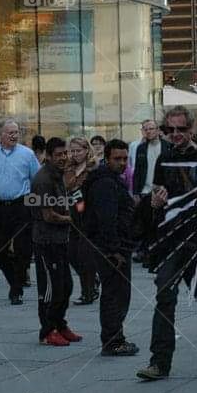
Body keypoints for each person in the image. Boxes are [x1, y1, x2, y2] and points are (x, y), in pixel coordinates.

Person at [135, 108, 197, 381]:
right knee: (164, 297)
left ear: (191, 129)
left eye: (180, 129)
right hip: (171, 239)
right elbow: (158, 195)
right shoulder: (164, 159)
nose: (175, 135)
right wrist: (156, 200)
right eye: (170, 131)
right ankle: (160, 362)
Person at [84, 139, 140, 356]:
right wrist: (114, 249)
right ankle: (113, 341)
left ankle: (114, 338)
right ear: (107, 158)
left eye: (125, 158)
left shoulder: (111, 179)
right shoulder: (105, 183)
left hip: (115, 246)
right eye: (117, 159)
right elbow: (106, 219)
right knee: (115, 294)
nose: (122, 163)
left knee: (117, 293)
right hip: (111, 249)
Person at [0, 119, 40, 305]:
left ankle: (17, 287)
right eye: (10, 132)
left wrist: (33, 206)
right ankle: (14, 282)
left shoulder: (27, 154)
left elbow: (37, 181)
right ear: (0, 135)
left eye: (16, 132)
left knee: (23, 249)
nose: (14, 135)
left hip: (20, 205)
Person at [30, 137, 83, 346]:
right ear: (49, 156)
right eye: (59, 154)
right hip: (46, 241)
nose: (64, 158)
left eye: (65, 153)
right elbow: (48, 215)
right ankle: (47, 330)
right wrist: (73, 219)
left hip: (61, 239)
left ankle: (60, 324)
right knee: (50, 288)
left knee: (66, 285)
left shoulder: (59, 175)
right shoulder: (42, 179)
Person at [65, 137, 99, 305]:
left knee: (85, 255)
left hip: (88, 214)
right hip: (72, 213)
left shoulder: (94, 168)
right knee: (71, 254)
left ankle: (88, 291)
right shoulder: (68, 167)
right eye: (73, 151)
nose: (75, 154)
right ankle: (92, 282)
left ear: (87, 150)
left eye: (79, 150)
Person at [131, 118, 169, 263]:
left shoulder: (167, 146)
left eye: (151, 128)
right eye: (145, 129)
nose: (148, 131)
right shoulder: (141, 148)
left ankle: (157, 251)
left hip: (161, 190)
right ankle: (146, 252)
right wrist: (135, 191)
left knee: (159, 222)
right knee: (146, 222)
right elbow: (137, 171)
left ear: (158, 130)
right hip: (145, 190)